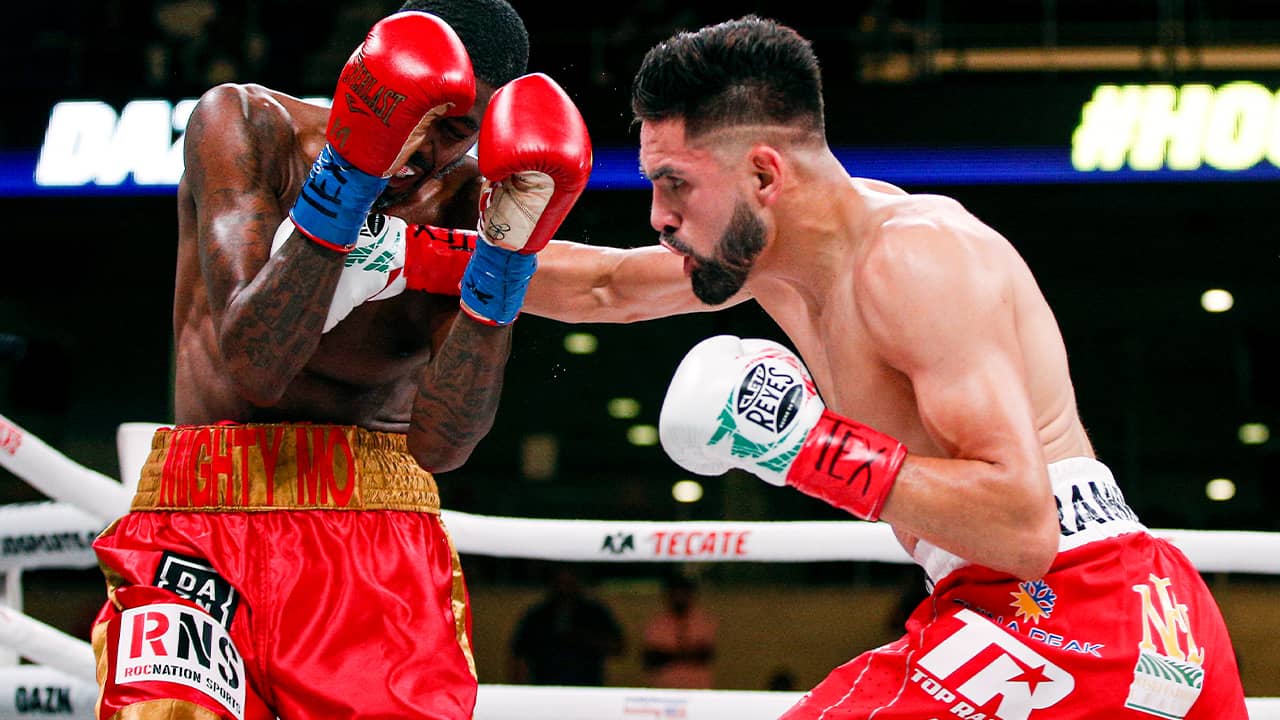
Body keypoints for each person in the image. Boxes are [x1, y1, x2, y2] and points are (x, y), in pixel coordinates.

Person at [85, 2, 716, 718]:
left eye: (453, 131)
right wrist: (347, 180)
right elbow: (254, 368)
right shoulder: (246, 126)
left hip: (373, 535)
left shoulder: (469, 206)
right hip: (202, 524)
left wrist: (500, 270)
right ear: (370, 85)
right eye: (413, 115)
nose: (420, 150)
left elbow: (445, 445)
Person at [639, 16, 1248, 720]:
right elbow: (601, 287)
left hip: (1059, 607)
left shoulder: (912, 257)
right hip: (1139, 605)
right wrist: (492, 243)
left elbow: (1024, 530)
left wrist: (805, 448)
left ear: (763, 173)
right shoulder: (773, 264)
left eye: (675, 183)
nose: (658, 215)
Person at [508, 565, 626, 686]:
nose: (565, 585)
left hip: (586, 687)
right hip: (545, 687)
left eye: (570, 580)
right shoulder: (537, 615)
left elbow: (618, 646)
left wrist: (585, 638)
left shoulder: (595, 613)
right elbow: (518, 654)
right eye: (560, 581)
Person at [640, 573, 717, 689]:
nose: (679, 598)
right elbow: (651, 659)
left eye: (684, 593)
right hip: (665, 686)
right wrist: (687, 653)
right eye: (676, 593)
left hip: (698, 686)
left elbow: (705, 655)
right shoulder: (656, 624)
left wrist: (669, 654)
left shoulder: (704, 622)